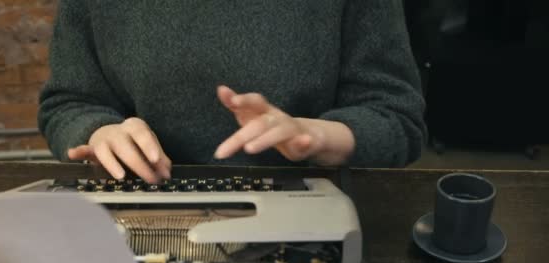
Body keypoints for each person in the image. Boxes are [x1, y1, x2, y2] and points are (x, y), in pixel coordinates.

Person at [38, 0, 427, 183]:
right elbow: (69, 102)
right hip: (138, 216)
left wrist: (316, 138)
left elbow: (395, 119)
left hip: (306, 216)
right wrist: (100, 131)